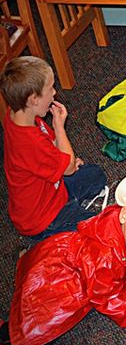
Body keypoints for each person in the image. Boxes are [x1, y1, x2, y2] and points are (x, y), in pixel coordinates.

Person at [0, 185, 126, 345]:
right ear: (124, 215)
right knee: (36, 322)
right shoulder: (104, 259)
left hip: (75, 263)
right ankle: (4, 337)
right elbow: (107, 297)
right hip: (60, 283)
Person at [0, 56, 107, 241]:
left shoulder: (18, 115)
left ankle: (71, 212)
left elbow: (54, 149)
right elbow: (69, 168)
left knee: (96, 175)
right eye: (50, 89)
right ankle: (42, 242)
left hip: (55, 191)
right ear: (33, 99)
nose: (54, 92)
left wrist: (66, 161)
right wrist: (59, 125)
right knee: (100, 229)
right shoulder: (28, 142)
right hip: (43, 218)